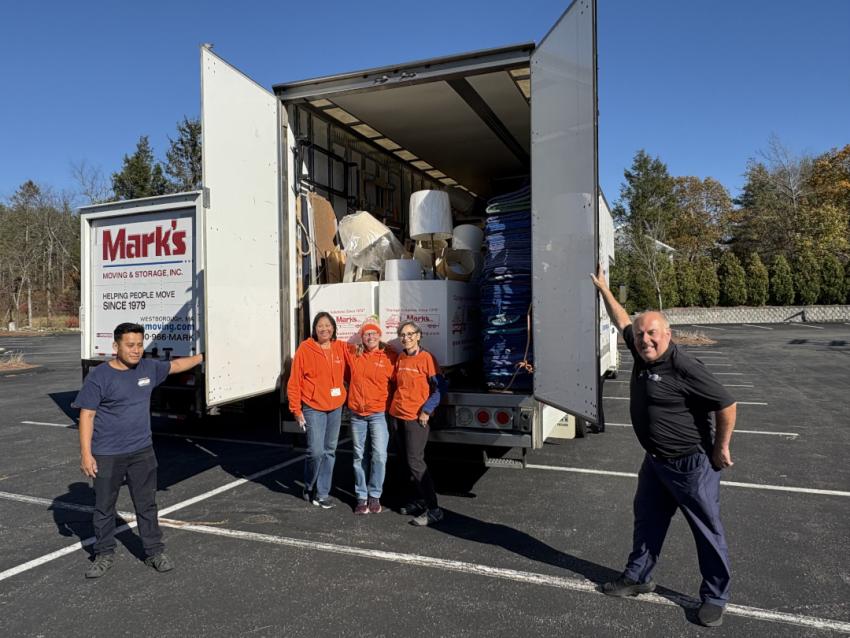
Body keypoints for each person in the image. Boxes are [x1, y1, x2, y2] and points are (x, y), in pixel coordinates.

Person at [591, 264, 737, 628]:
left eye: (652, 334)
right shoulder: (640, 351)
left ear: (668, 334)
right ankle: (639, 576)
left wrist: (721, 448)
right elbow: (622, 318)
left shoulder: (685, 366)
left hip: (692, 465)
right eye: (641, 335)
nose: (645, 340)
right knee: (647, 520)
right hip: (655, 462)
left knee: (706, 530)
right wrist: (604, 289)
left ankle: (714, 596)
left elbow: (727, 403)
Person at [74, 322, 203, 579]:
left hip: (142, 451)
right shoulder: (99, 376)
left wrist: (203, 356)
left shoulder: (148, 368)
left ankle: (154, 551)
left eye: (140, 345)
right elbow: (87, 415)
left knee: (146, 505)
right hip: (107, 453)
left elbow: (176, 366)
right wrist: (86, 454)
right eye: (130, 345)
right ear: (116, 346)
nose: (136, 350)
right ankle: (104, 553)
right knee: (104, 507)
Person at [287, 312, 348, 509]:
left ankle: (322, 493)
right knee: (315, 451)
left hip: (336, 406)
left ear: (333, 328)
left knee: (330, 451)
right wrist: (296, 409)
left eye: (328, 325)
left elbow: (359, 358)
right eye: (320, 326)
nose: (324, 329)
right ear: (314, 329)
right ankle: (309, 485)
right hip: (313, 407)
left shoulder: (340, 347)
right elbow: (295, 381)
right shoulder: (305, 349)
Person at [388, 320, 446, 526]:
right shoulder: (401, 358)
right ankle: (419, 500)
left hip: (416, 418)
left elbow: (440, 389)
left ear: (419, 335)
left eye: (411, 334)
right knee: (405, 461)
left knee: (416, 461)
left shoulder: (427, 358)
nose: (406, 338)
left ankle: (434, 509)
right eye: (402, 335)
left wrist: (427, 411)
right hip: (397, 415)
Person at [345, 316, 397, 515]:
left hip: (378, 414)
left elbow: (398, 380)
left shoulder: (389, 356)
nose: (370, 336)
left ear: (380, 335)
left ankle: (375, 495)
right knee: (359, 456)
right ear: (361, 337)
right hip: (357, 414)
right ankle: (361, 497)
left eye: (373, 333)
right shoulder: (354, 354)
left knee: (380, 455)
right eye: (366, 333)